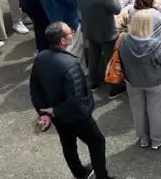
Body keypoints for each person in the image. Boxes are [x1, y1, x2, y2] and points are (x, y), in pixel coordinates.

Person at [29, 22, 113, 179]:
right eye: (70, 32)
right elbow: (76, 99)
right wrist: (53, 111)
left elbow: (35, 88)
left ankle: (80, 173)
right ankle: (102, 176)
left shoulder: (41, 57)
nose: (73, 33)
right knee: (97, 142)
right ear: (62, 41)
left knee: (68, 145)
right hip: (76, 116)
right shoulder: (71, 64)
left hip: (58, 118)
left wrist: (44, 112)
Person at [120, 8, 161, 150]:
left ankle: (143, 138)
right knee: (154, 110)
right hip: (153, 81)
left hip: (133, 81)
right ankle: (156, 139)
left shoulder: (125, 40)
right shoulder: (155, 43)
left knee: (138, 111)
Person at [76, 0, 122, 90]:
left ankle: (94, 83)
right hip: (106, 32)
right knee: (110, 59)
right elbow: (117, 9)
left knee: (93, 57)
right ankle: (114, 88)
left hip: (89, 30)